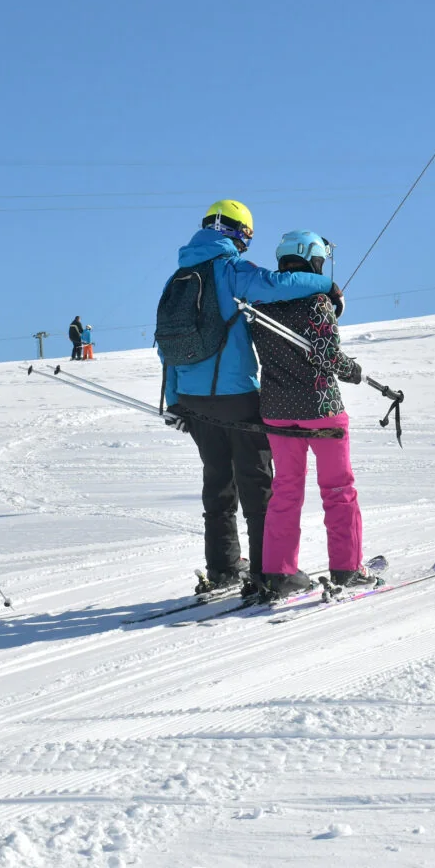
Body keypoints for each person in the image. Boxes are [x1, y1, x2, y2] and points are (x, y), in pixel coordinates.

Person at [155, 200, 334, 595]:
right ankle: (270, 572)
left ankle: (222, 567)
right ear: (240, 233)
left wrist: (175, 401)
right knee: (256, 484)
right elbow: (277, 285)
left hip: (191, 399)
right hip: (235, 395)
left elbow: (167, 347)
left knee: (217, 483)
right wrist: (325, 284)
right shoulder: (229, 269)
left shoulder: (180, 277)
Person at [250, 231, 376, 598]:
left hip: (276, 412)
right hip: (322, 409)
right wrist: (353, 370)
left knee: (285, 491)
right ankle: (347, 568)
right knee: (338, 490)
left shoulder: (260, 305)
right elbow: (328, 357)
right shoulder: (317, 301)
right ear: (312, 261)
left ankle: (278, 571)